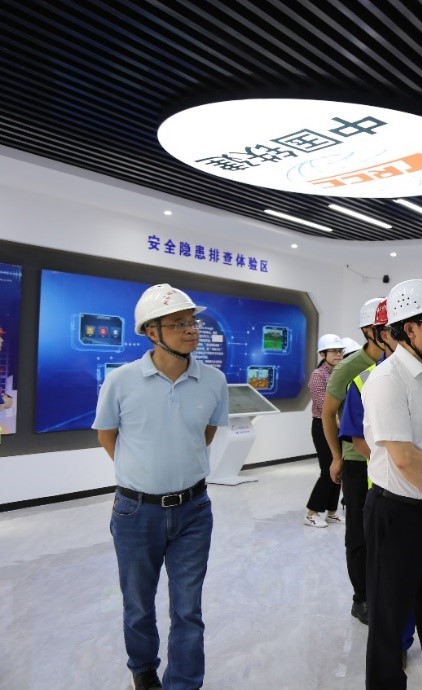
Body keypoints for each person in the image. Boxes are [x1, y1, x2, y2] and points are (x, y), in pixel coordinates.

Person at [92, 283, 228, 690]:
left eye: (193, 322)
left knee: (188, 608)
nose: (191, 330)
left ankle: (183, 682)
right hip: (136, 512)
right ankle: (143, 669)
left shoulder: (214, 380)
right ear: (152, 332)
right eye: (179, 323)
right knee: (138, 603)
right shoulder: (121, 381)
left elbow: (204, 435)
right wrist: (142, 475)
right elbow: (108, 437)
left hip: (194, 510)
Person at [339, 301, 422, 669]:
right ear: (402, 331)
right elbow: (393, 452)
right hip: (399, 504)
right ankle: (395, 655)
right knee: (393, 601)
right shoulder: (377, 380)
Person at [320, 299, 385, 622]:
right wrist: (336, 457)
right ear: (368, 331)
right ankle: (362, 597)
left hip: (391, 459)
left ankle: (384, 590)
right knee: (358, 532)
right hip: (357, 460)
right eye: (382, 327)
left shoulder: (397, 361)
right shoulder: (349, 367)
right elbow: (328, 413)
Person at [304, 332, 345, 528]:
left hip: (339, 425)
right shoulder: (318, 376)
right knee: (328, 469)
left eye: (340, 351)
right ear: (323, 354)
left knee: (339, 470)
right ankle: (311, 513)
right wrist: (340, 421)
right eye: (333, 351)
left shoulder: (340, 372)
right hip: (323, 426)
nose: (338, 354)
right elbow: (323, 406)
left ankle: (331, 512)